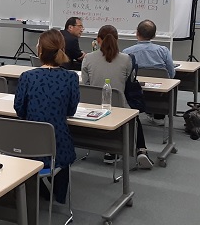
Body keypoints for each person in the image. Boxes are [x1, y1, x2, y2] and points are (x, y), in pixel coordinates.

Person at [14, 29, 79, 203]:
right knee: (63, 154)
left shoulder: (27, 77)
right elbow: (71, 111)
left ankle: (39, 188)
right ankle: (59, 195)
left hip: (27, 145)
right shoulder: (71, 78)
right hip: (58, 146)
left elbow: (19, 110)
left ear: (40, 50)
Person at [81, 25, 153, 169]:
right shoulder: (126, 59)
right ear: (117, 40)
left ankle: (109, 151)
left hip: (93, 107)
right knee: (134, 117)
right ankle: (141, 150)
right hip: (119, 106)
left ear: (98, 40)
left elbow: (86, 83)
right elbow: (127, 82)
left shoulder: (88, 58)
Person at [123, 20, 176, 124]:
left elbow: (125, 76)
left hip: (135, 95)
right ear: (154, 35)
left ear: (137, 33)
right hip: (160, 96)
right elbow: (171, 74)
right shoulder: (163, 51)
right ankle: (158, 116)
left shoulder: (127, 52)